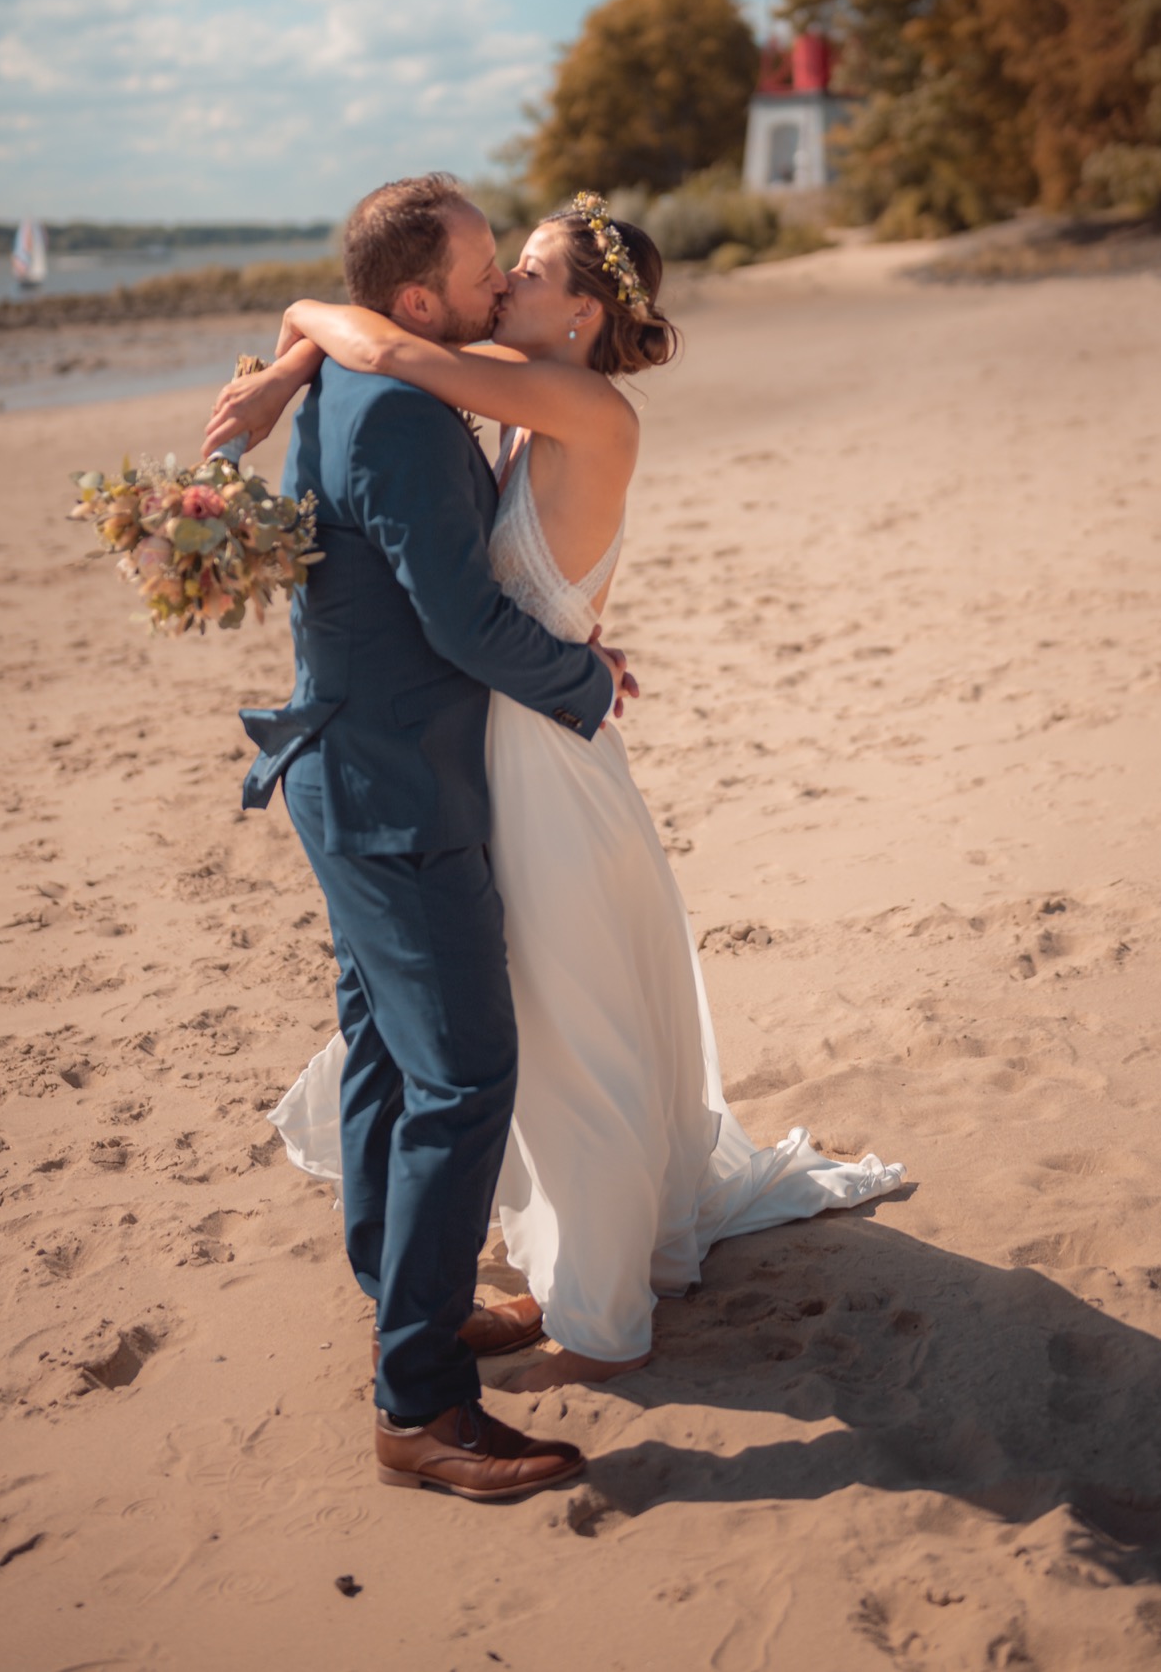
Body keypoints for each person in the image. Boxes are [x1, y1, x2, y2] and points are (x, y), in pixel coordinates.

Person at [207, 183, 902, 1399]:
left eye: (528, 271)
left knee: (569, 1027)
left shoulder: (573, 401)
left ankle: (591, 1295)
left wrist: (291, 343)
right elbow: (387, 329)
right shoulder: (510, 378)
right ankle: (526, 1268)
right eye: (504, 268)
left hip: (547, 756)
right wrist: (286, 359)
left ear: (582, 315)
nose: (509, 284)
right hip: (500, 746)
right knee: (529, 1028)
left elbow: (379, 335)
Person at [228, 173, 634, 1504]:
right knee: (461, 1077)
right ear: (415, 301)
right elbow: (460, 621)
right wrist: (585, 686)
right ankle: (419, 1404)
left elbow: (350, 336)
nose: (496, 291)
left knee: (386, 1054)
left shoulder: (365, 372)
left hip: (344, 768)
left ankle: (407, 1291)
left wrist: (294, 353)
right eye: (480, 277)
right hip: (398, 788)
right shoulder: (403, 402)